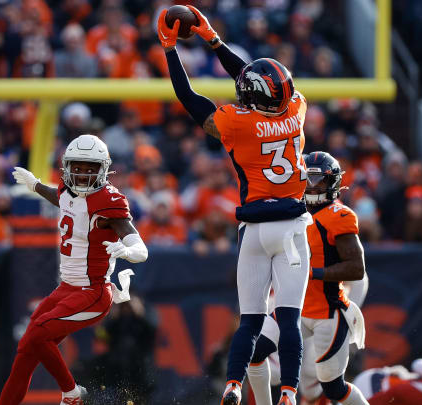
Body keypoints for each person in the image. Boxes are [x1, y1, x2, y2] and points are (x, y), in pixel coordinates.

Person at [159, 7, 312, 404]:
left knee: (250, 321)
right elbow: (251, 79)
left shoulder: (236, 122)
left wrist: (171, 50)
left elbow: (188, 97)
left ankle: (232, 385)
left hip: (254, 231)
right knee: (289, 319)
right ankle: (290, 393)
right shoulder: (297, 110)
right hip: (292, 225)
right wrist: (214, 40)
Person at [0, 135, 148, 405]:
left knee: (39, 332)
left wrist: (127, 251)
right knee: (25, 350)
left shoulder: (108, 201)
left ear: (103, 169)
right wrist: (34, 185)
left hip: (93, 292)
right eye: (77, 166)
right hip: (66, 289)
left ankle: (71, 393)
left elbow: (141, 248)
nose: (82, 173)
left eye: (90, 168)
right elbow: (62, 200)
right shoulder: (67, 192)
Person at [246, 152, 369, 405]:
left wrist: (313, 273)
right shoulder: (290, 211)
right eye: (307, 180)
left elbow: (356, 269)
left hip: (328, 313)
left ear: (332, 183)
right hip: (293, 307)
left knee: (333, 388)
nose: (312, 187)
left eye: (319, 180)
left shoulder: (339, 216)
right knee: (253, 352)